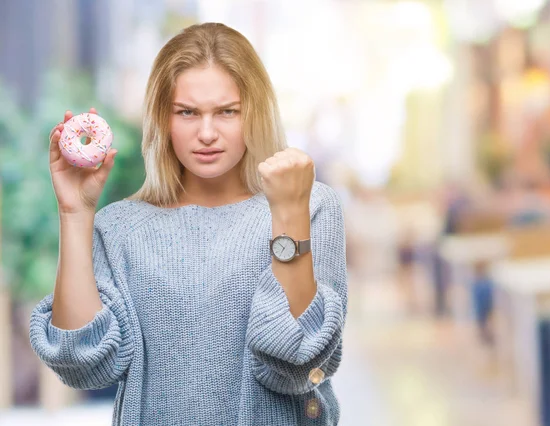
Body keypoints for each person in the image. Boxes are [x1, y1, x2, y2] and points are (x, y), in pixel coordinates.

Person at [29, 23, 347, 426]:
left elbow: (299, 364)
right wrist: (75, 214)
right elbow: (82, 366)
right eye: (188, 112)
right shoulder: (122, 228)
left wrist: (287, 214)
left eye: (227, 111)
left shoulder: (311, 205)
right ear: (164, 118)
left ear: (255, 111)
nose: (207, 133)